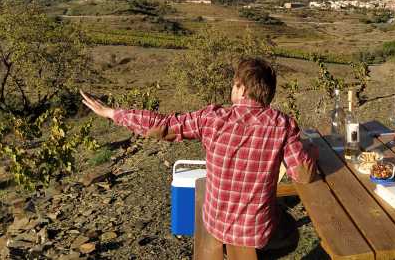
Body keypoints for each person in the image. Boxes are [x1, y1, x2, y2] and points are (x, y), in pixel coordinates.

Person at [80, 57, 318, 259]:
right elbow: (303, 176)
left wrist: (114, 113)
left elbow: (162, 126)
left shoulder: (212, 118)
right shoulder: (282, 124)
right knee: (290, 232)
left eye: (234, 85)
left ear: (242, 89)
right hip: (254, 232)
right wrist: (309, 150)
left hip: (215, 223)